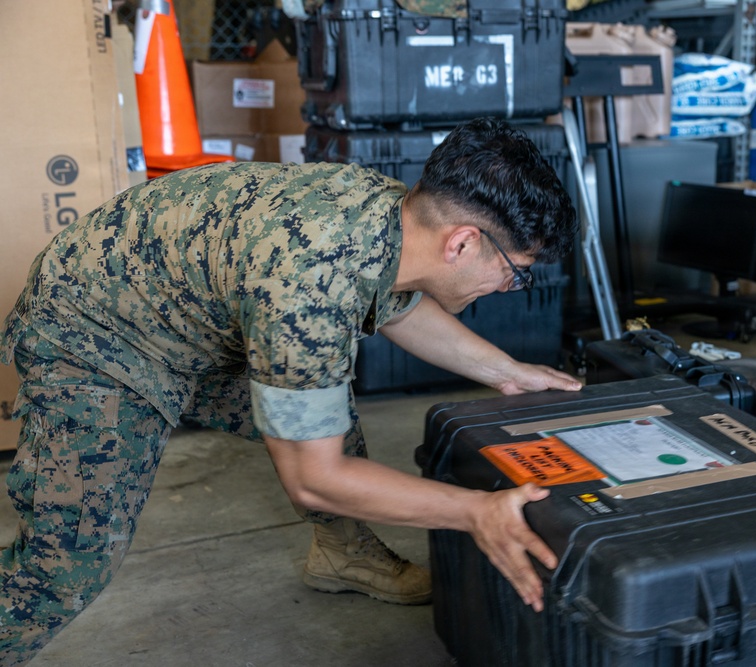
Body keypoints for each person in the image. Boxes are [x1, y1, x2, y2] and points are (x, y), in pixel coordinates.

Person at [0, 117, 581, 664]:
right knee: (69, 562)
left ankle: (342, 555)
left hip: (188, 317)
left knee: (326, 419)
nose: (512, 286)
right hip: (96, 335)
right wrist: (476, 512)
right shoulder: (310, 282)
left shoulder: (391, 218)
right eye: (516, 270)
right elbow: (314, 477)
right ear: (461, 243)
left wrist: (508, 371)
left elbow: (401, 305)